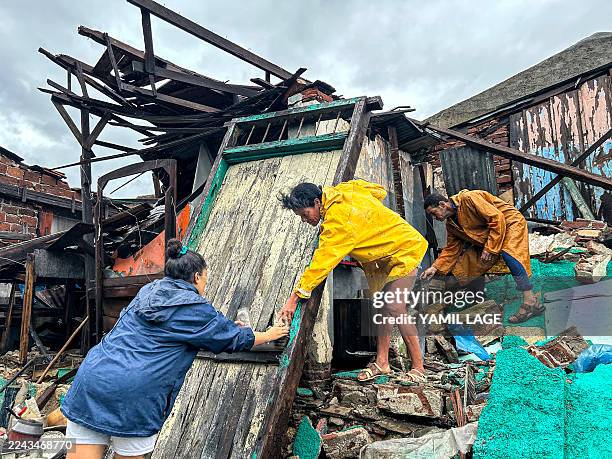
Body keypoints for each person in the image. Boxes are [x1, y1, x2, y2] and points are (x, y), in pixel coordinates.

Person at [62, 239, 288, 459]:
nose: (204, 284)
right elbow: (231, 338)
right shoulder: (194, 306)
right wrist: (269, 334)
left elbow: (189, 326)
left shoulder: (148, 291)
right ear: (197, 277)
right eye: (205, 278)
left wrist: (224, 327)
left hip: (91, 380)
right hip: (133, 396)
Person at [278, 179, 429, 383]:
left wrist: (293, 299)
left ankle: (419, 368)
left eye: (305, 215)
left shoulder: (336, 222)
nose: (305, 220)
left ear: (317, 202)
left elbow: (320, 264)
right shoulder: (345, 190)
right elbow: (379, 192)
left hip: (405, 250)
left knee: (394, 306)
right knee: (382, 308)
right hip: (386, 256)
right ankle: (382, 363)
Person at [420, 190, 542, 323]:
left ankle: (529, 301)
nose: (434, 218)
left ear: (442, 205)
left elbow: (496, 218)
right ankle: (474, 300)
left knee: (510, 254)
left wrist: (490, 248)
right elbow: (451, 250)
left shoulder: (468, 199)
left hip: (509, 222)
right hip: (488, 234)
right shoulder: (451, 225)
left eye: (433, 213)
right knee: (467, 265)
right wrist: (435, 267)